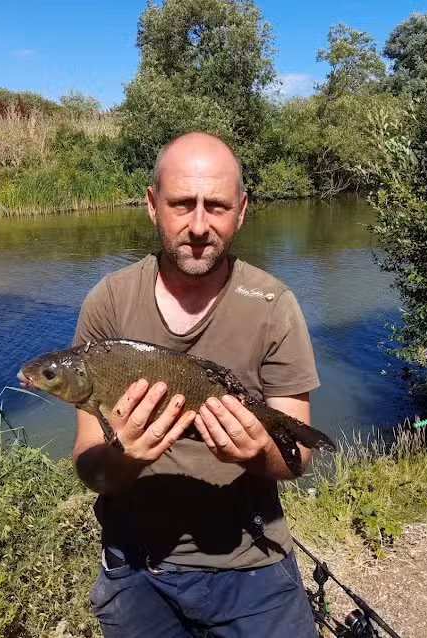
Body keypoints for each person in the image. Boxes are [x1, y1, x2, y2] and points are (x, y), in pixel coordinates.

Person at [71, 131, 320, 637]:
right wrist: (128, 458)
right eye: (183, 204)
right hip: (137, 568)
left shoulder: (274, 305)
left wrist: (254, 453)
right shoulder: (109, 303)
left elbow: (298, 459)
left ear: (243, 210)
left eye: (218, 206)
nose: (200, 225)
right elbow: (89, 464)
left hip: (250, 562)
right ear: (151, 205)